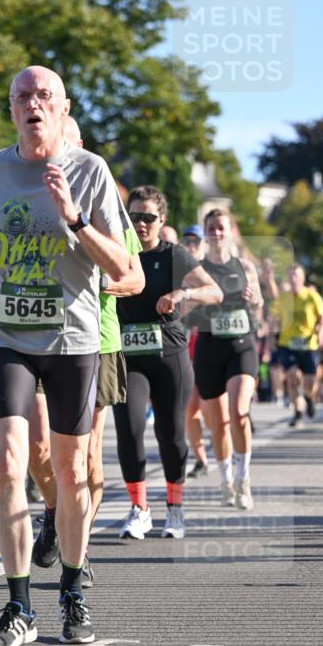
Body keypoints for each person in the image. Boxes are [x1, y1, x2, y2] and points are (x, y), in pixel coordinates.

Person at [0, 64, 129, 646]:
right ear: (12, 109)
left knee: (73, 472)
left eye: (43, 94)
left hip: (74, 338)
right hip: (5, 332)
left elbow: (124, 270)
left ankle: (73, 591)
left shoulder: (91, 170)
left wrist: (75, 217)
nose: (33, 103)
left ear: (62, 106)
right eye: (22, 96)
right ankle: (18, 604)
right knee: (8, 463)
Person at [29, 116, 145, 582]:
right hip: (36, 338)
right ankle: (57, 515)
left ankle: (79, 546)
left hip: (96, 341)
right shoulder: (28, 194)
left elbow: (134, 275)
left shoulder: (101, 198)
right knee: (39, 448)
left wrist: (111, 280)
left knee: (86, 458)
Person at [113, 189, 220, 540]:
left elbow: (214, 292)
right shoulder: (117, 252)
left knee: (171, 435)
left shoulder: (174, 255)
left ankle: (175, 508)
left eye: (148, 218)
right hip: (127, 355)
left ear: (162, 222)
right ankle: (139, 509)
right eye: (134, 217)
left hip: (169, 354)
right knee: (129, 430)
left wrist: (182, 293)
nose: (141, 224)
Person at [193, 208, 263, 509]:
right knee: (218, 424)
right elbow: (190, 310)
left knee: (238, 411)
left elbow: (259, 302)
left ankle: (243, 478)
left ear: (231, 231)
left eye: (221, 227)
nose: (216, 232)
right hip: (209, 348)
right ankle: (225, 481)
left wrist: (253, 296)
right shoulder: (197, 268)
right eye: (211, 228)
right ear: (205, 232)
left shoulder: (245, 266)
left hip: (241, 346)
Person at [269, 264, 323, 427]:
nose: (293, 279)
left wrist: (321, 333)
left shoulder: (312, 296)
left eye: (296, 276)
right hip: (287, 344)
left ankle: (309, 398)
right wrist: (270, 337)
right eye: (291, 276)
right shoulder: (283, 298)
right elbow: (273, 319)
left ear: (303, 278)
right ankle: (298, 412)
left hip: (308, 344)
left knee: (310, 381)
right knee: (292, 378)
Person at [180, 224, 209, 478]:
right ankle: (201, 459)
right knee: (191, 408)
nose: (191, 246)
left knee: (212, 409)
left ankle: (226, 450)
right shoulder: (178, 271)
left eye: (195, 242)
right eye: (187, 241)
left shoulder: (213, 271)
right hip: (187, 346)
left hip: (213, 346)